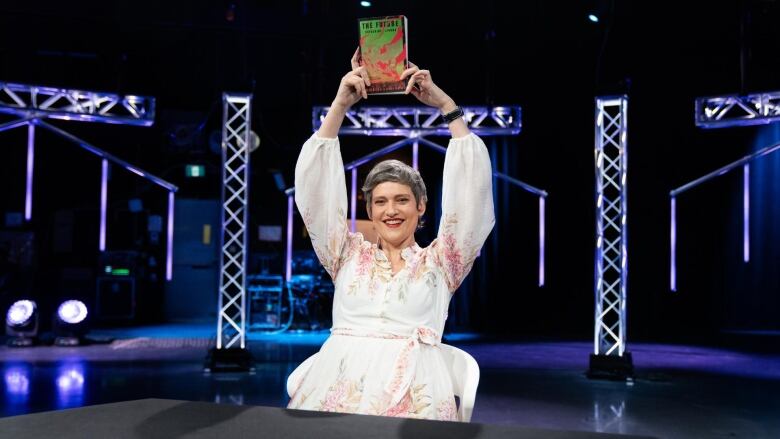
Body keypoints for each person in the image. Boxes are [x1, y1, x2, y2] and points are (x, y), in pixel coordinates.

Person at [287, 49, 495, 421]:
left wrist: (446, 105)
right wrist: (340, 105)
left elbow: (471, 199)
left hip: (414, 398)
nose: (391, 210)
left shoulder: (443, 261)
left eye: (402, 200)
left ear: (421, 207)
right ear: (369, 211)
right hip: (337, 391)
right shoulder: (345, 254)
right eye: (380, 202)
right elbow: (315, 195)